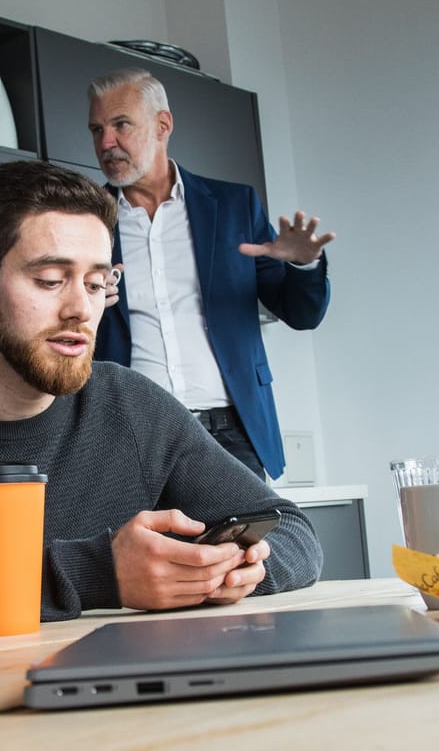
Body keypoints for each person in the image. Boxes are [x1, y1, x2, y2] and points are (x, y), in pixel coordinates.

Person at [0, 160, 324, 639]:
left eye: (97, 284)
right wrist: (99, 575)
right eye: (50, 280)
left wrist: (226, 572)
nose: (79, 308)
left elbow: (294, 532)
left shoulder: (132, 406)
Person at [86, 68, 334, 480]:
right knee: (153, 547)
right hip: (133, 434)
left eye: (121, 125)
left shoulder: (234, 205)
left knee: (251, 547)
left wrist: (302, 264)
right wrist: (86, 302)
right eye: (97, 129)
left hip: (234, 434)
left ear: (163, 124)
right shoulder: (86, 218)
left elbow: (302, 315)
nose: (106, 143)